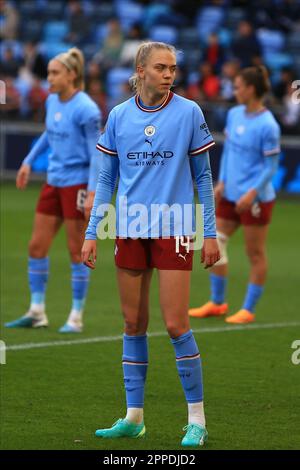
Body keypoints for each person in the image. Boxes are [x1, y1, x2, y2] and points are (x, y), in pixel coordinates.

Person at [82, 42, 220, 447]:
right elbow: (106, 180)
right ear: (140, 70)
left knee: (177, 324)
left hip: (174, 227)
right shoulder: (119, 116)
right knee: (132, 324)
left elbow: (204, 178)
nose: (169, 74)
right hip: (127, 227)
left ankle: (197, 420)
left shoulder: (190, 112)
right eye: (161, 67)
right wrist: (92, 232)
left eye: (173, 68)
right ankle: (134, 417)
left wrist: (209, 232)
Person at [5, 48, 102, 333]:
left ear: (72, 75)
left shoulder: (87, 109)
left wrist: (93, 192)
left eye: (54, 73)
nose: (49, 77)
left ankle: (76, 316)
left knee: (76, 251)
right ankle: (37, 311)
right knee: (36, 247)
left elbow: (96, 154)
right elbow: (49, 132)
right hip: (53, 181)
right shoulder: (51, 101)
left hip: (77, 184)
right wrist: (27, 161)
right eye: (48, 72)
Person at [189, 65, 281, 324]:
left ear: (251, 89)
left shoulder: (268, 125)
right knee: (214, 242)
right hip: (230, 193)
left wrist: (253, 193)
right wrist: (222, 182)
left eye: (238, 86)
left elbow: (271, 166)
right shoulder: (234, 114)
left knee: (255, 253)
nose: (234, 90)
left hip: (255, 199)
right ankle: (218, 303)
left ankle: (248, 309)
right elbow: (229, 152)